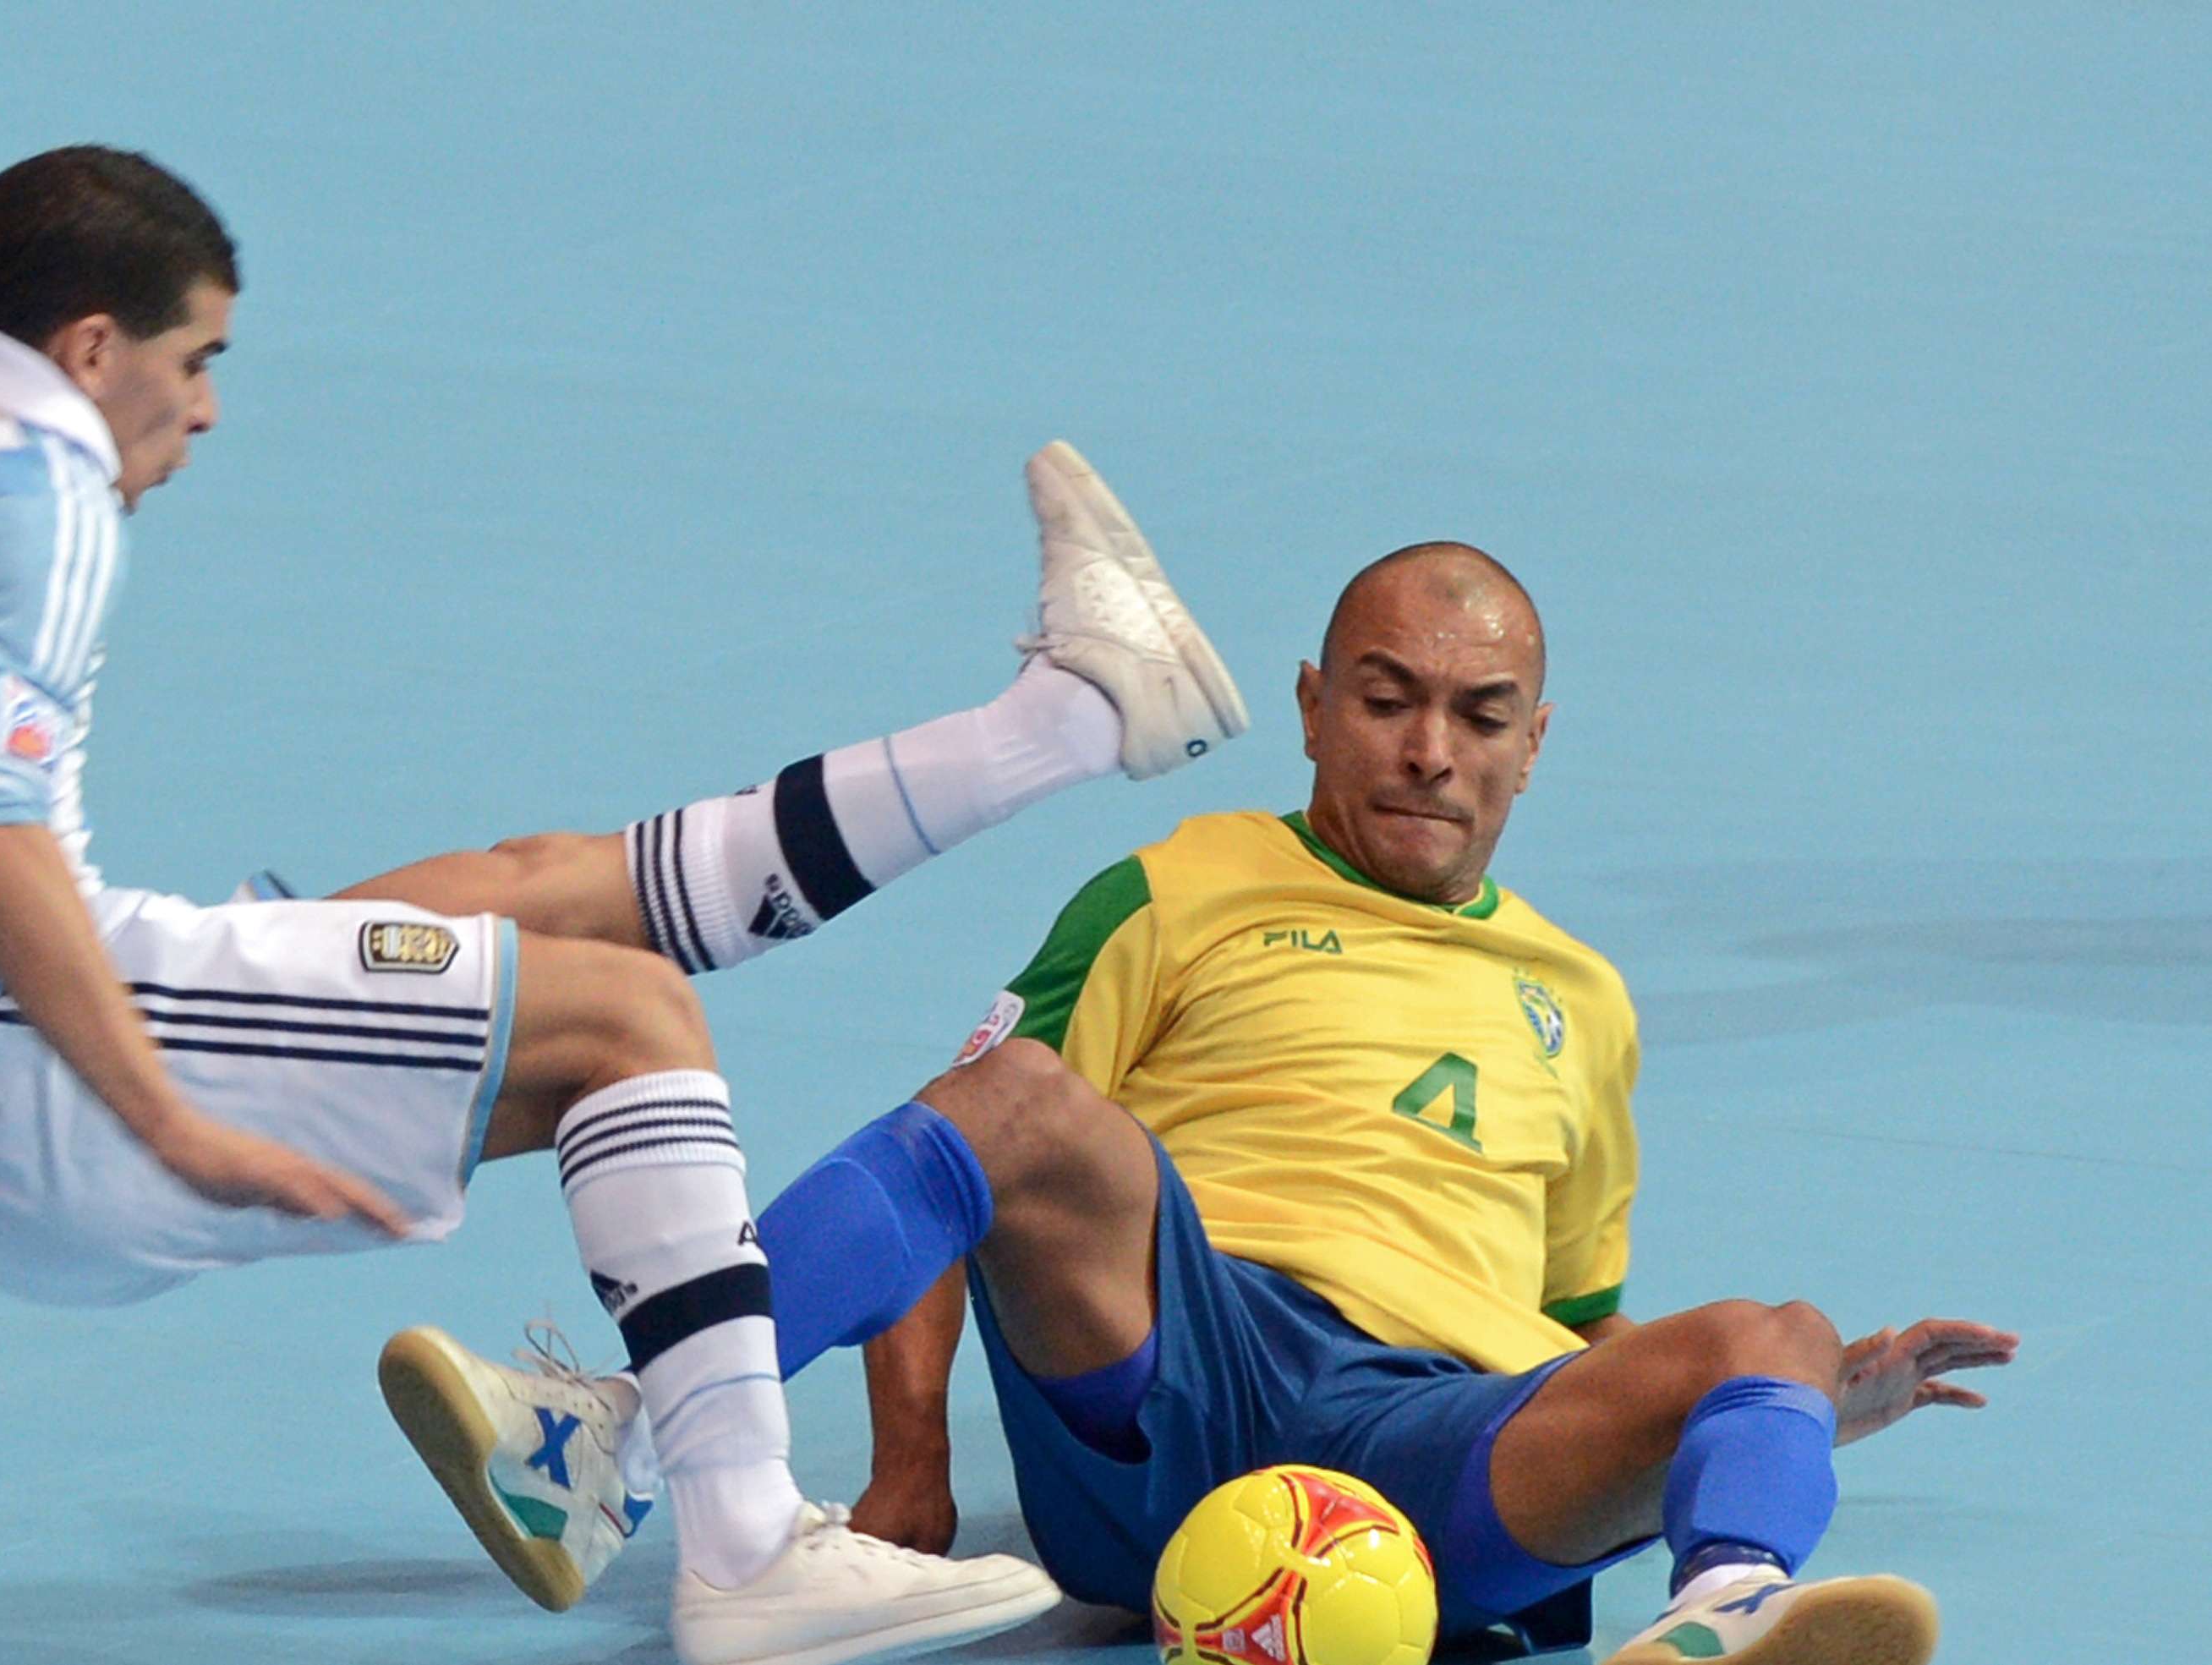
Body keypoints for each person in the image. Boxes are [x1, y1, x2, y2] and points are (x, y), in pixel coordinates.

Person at [0, 145, 1262, 1665]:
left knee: (510, 894)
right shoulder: (29, 498)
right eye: (197, 364)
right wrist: (172, 1117)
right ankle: (752, 1548)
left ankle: (1073, 715)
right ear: (93, 345)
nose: (203, 414)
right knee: (622, 1015)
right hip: (14, 1073)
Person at [403, 543, 2015, 1665]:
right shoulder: (1179, 885)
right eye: (1388, 699)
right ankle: (610, 1435)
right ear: (1313, 705)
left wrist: (1775, 1414)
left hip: (1434, 1442)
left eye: (1482, 714)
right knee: (1026, 1097)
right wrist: (909, 1461)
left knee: (1776, 1329)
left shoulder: (1582, 1000)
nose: (1431, 751)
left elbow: (1578, 1333)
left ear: (1537, 743)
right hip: (1180, 1364)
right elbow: (963, 1146)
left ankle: (1721, 1608)